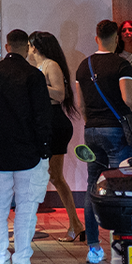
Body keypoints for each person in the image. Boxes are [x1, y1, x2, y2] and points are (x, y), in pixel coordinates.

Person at [0, 29, 52, 264]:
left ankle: (0, 260)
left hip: (0, 153)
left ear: (7, 45)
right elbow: (42, 116)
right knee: (26, 207)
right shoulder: (34, 75)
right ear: (27, 47)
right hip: (28, 153)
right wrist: (44, 149)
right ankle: (22, 262)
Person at [75, 20, 132, 264]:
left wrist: (92, 121)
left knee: (93, 186)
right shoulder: (121, 64)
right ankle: (120, 244)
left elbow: (81, 105)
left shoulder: (84, 66)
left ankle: (93, 247)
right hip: (115, 131)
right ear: (116, 39)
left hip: (91, 130)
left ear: (96, 38)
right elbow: (129, 98)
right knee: (117, 186)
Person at [27, 30, 83, 243]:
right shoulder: (40, 67)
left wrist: (37, 85)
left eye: (30, 45)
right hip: (45, 122)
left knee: (55, 176)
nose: (29, 50)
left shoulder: (51, 65)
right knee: (52, 175)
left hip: (54, 123)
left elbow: (60, 94)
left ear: (36, 46)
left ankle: (75, 224)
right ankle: (75, 224)